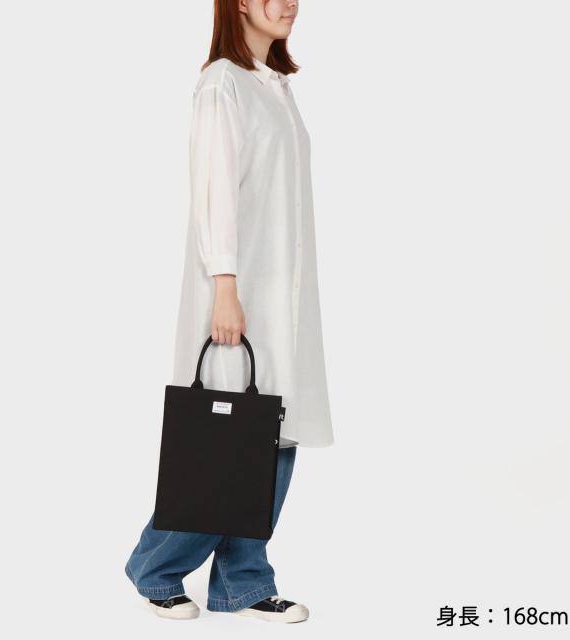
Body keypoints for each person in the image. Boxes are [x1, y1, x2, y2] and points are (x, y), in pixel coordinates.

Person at [125, 0, 333, 623]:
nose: (289, 4)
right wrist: (224, 284)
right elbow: (214, 189)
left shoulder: (276, 87)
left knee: (273, 435)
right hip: (239, 290)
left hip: (285, 294)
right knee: (222, 441)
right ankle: (155, 567)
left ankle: (242, 582)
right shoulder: (223, 83)